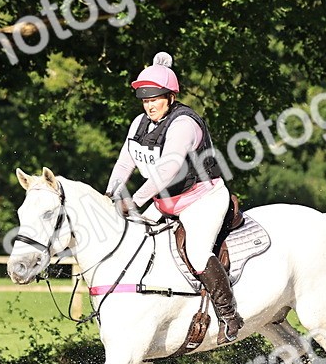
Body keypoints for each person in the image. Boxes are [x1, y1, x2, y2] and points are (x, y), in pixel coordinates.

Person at [104, 52, 243, 344]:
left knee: (196, 252)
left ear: (169, 96)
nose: (149, 105)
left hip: (201, 199)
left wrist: (136, 199)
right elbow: (124, 164)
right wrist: (110, 193)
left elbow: (167, 171)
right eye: (145, 99)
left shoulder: (184, 124)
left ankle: (229, 313)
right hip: (165, 202)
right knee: (133, 244)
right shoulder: (139, 124)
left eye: (155, 98)